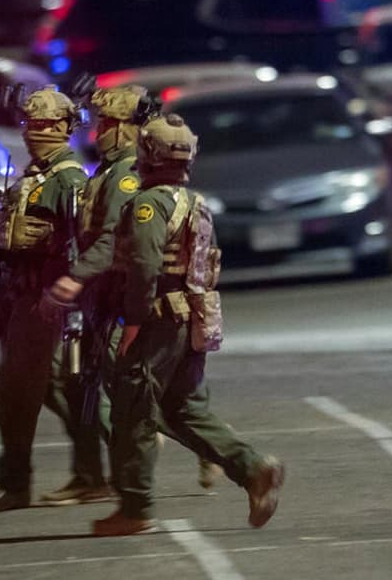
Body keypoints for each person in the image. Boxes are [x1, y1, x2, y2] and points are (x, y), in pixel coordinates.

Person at [94, 113, 284, 536]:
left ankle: (134, 508)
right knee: (181, 410)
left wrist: (132, 321)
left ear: (149, 153)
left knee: (133, 413)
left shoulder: (149, 205)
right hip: (188, 318)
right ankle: (253, 468)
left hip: (156, 322)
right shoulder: (196, 203)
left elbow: (144, 266)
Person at [42, 86, 220, 505]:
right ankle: (94, 474)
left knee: (134, 391)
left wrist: (76, 278)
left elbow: (117, 244)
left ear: (127, 129)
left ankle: (203, 455)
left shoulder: (126, 175)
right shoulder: (107, 171)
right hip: (99, 297)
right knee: (84, 383)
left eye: (107, 123)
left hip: (114, 298)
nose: (99, 131)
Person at [0, 87, 89, 512]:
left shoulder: (68, 180)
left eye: (44, 124)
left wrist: (67, 295)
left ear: (64, 128)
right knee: (53, 390)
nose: (34, 133)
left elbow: (80, 244)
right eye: (29, 123)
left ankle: (16, 484)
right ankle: (98, 467)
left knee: (16, 393)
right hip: (23, 297)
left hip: (46, 302)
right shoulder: (34, 175)